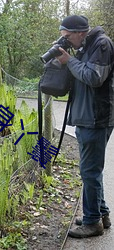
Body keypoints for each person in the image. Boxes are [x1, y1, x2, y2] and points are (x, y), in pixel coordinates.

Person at [56, 15, 114, 238]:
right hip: (86, 117)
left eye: (68, 37)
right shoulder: (85, 46)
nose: (67, 41)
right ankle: (101, 214)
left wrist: (69, 61)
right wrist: (66, 60)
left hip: (96, 118)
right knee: (91, 171)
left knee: (89, 171)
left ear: (80, 32)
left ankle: (92, 223)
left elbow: (93, 77)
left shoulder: (102, 44)